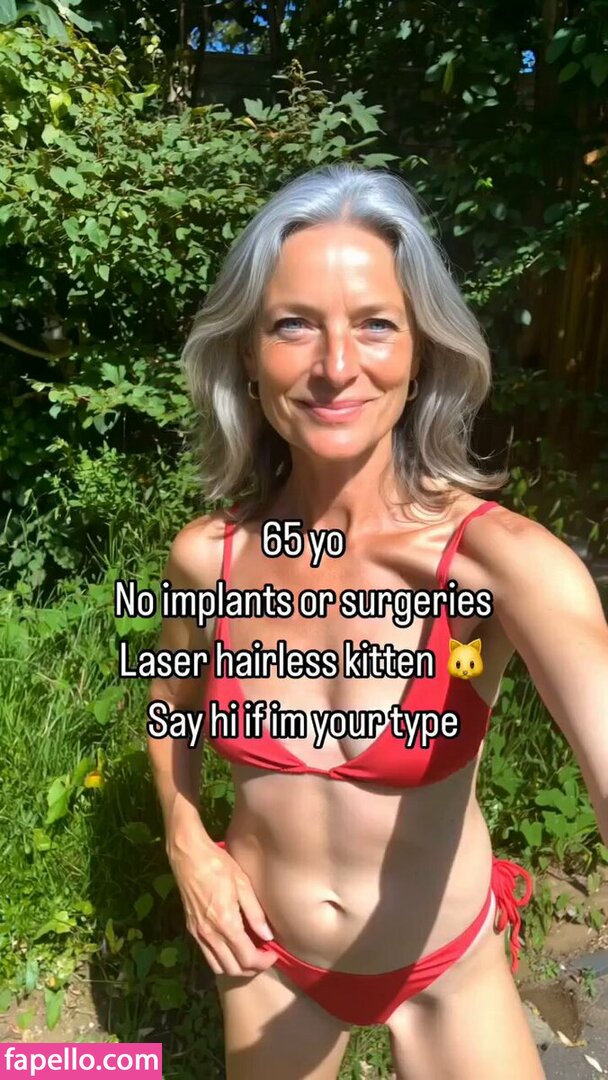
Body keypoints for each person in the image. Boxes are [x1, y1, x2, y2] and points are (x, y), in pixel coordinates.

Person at [147, 163, 608, 1079]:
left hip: (447, 975)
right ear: (248, 355)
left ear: (421, 352)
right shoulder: (207, 560)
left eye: (375, 324)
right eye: (293, 325)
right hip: (269, 969)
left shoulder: (502, 565)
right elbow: (171, 716)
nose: (335, 366)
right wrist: (186, 842)